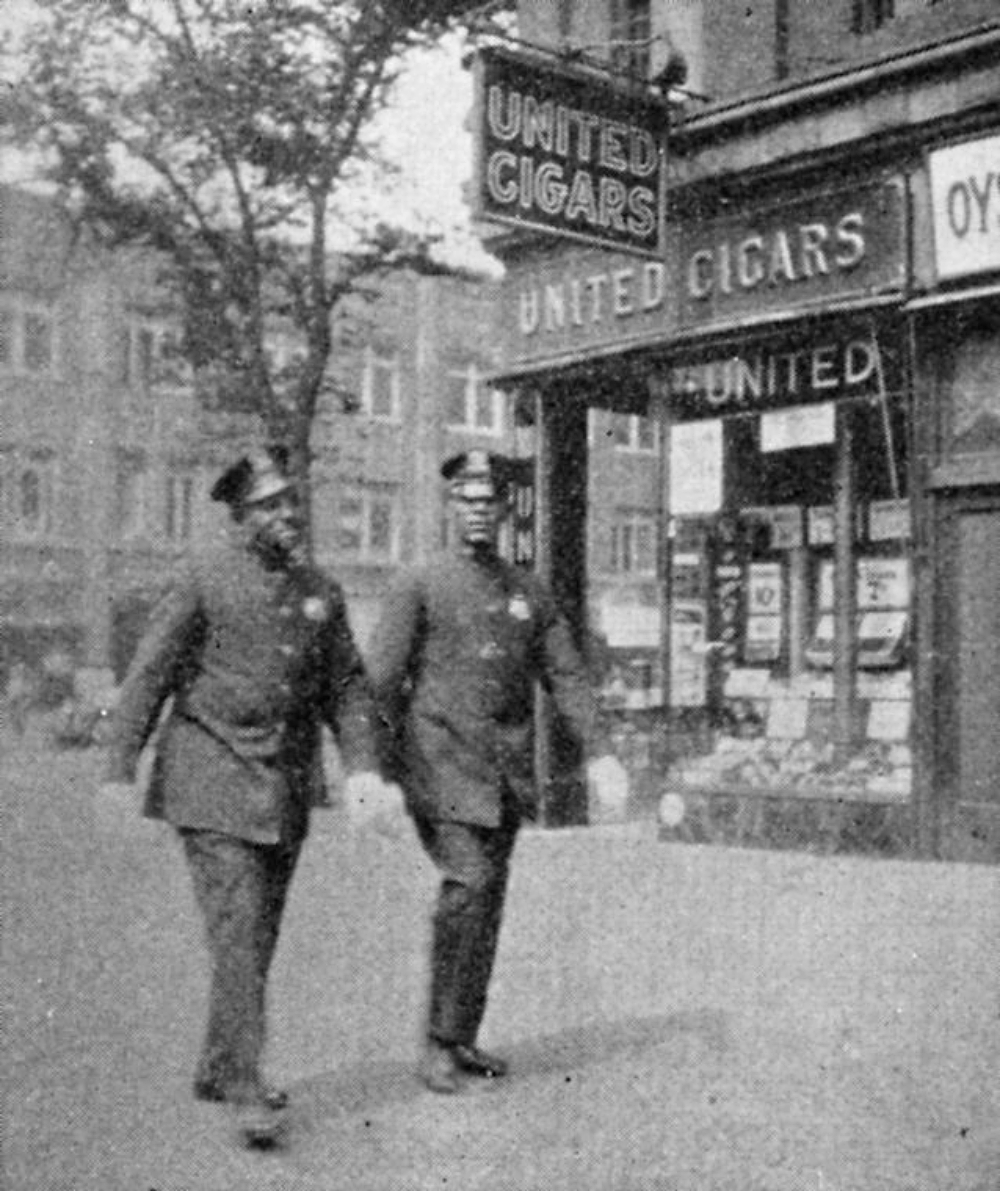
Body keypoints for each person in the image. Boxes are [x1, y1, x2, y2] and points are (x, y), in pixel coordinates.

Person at [104, 444, 388, 1146]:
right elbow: (148, 675)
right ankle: (245, 1085)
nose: (286, 513)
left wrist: (362, 769)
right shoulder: (204, 578)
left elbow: (347, 687)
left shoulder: (321, 591)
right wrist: (116, 767)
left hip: (284, 787)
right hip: (209, 779)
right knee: (239, 928)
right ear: (238, 515)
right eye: (269, 504)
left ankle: (219, 1061)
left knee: (257, 932)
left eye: (291, 499)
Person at [366, 448, 599, 1094]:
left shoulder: (528, 590)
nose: (477, 512)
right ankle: (437, 1041)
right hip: (438, 767)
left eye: (487, 502)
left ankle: (462, 1034)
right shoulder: (420, 582)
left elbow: (567, 674)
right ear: (450, 507)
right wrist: (373, 771)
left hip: (505, 777)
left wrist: (600, 749)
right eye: (465, 501)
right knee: (466, 885)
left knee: (488, 901)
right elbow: (380, 682)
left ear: (503, 509)